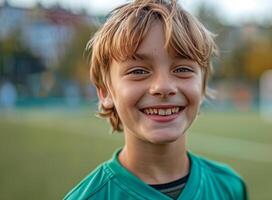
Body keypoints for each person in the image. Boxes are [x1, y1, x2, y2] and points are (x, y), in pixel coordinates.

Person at [64, 0, 247, 199]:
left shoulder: (230, 187)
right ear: (105, 93)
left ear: (202, 87)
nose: (163, 87)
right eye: (139, 71)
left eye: (182, 69)